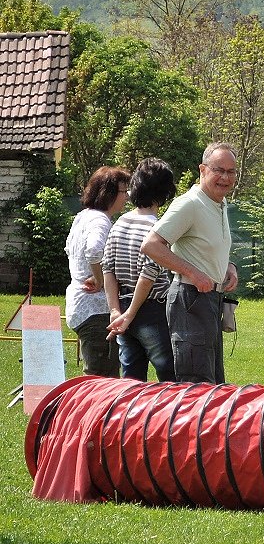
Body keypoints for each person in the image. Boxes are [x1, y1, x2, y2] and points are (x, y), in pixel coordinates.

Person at [140, 142, 239, 383]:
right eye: (219, 170)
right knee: (196, 385)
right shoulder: (190, 203)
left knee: (213, 384)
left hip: (210, 300)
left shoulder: (218, 202)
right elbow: (151, 245)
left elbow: (205, 246)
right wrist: (194, 273)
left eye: (231, 172)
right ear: (202, 170)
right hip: (191, 298)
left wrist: (228, 266)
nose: (225, 178)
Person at [102, 158, 177, 381]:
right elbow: (148, 275)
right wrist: (130, 314)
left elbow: (108, 268)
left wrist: (116, 311)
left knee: (131, 380)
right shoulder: (156, 229)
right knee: (170, 375)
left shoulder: (119, 223)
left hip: (122, 305)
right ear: (164, 191)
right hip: (151, 309)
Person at [64, 166, 130, 377]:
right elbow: (93, 250)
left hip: (81, 306)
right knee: (102, 379)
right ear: (108, 193)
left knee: (97, 376)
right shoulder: (100, 220)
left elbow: (70, 250)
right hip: (95, 310)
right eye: (123, 191)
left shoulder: (83, 216)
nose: (127, 197)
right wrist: (100, 280)